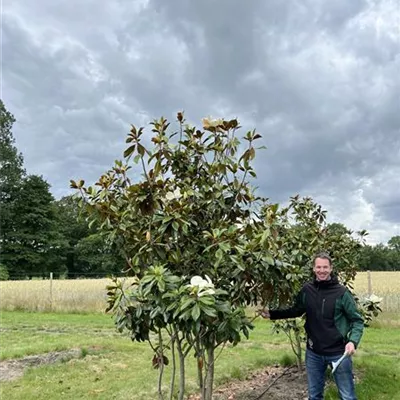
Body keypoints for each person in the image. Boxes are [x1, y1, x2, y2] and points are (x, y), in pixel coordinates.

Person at [260, 252, 364, 400]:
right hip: (314, 353)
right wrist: (272, 314)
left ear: (331, 268)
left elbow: (357, 320)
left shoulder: (342, 293)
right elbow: (296, 310)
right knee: (314, 396)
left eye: (325, 267)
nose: (322, 270)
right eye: (319, 267)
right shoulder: (307, 290)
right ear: (314, 269)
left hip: (338, 353)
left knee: (347, 396)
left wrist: (352, 341)